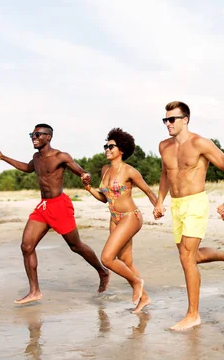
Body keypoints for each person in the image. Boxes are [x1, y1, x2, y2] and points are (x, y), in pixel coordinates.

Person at [0, 123, 110, 304]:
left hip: (60, 205)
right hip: (43, 207)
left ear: (48, 137)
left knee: (75, 246)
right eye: (32, 134)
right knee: (26, 246)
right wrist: (2, 157)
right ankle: (34, 291)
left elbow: (82, 171)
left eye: (37, 134)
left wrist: (86, 176)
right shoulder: (36, 158)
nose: (34, 137)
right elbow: (28, 168)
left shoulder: (60, 156)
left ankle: (102, 271)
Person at [153, 101, 224, 331]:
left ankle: (193, 315)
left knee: (186, 258)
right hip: (176, 205)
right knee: (188, 255)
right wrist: (159, 201)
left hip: (195, 203)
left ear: (185, 119)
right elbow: (165, 174)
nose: (168, 124)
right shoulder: (164, 146)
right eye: (165, 120)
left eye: (172, 119)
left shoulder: (200, 143)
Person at [82, 128, 157, 313]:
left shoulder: (129, 171)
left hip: (130, 217)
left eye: (111, 146)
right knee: (126, 260)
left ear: (121, 149)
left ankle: (136, 282)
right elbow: (104, 198)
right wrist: (89, 188)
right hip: (114, 218)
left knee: (107, 258)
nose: (107, 149)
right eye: (106, 146)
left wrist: (159, 207)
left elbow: (148, 191)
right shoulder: (105, 170)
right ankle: (144, 298)